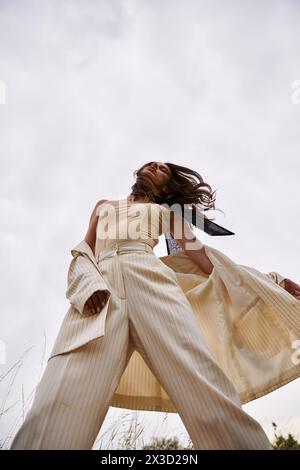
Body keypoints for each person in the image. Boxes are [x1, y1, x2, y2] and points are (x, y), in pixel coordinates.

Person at [10, 161, 300, 450]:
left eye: (163, 169)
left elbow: (208, 263)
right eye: (152, 164)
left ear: (166, 188)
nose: (154, 166)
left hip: (153, 287)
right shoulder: (103, 207)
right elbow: (83, 251)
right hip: (98, 296)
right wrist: (88, 284)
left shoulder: (166, 213)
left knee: (203, 385)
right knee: (58, 395)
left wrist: (273, 280)